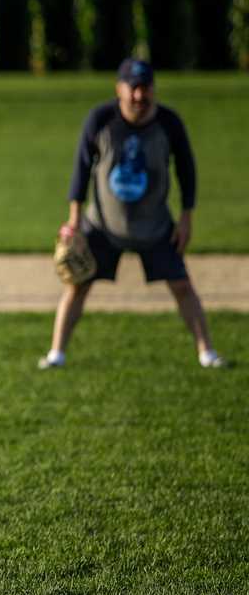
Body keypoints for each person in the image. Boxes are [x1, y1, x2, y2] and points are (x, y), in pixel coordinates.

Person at [39, 58, 226, 370]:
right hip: (102, 224)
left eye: (146, 88)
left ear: (154, 89)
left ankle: (206, 351)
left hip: (154, 224)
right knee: (78, 284)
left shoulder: (169, 122)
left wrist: (186, 216)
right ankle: (57, 353)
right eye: (134, 88)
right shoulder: (100, 119)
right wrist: (75, 219)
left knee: (182, 285)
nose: (140, 95)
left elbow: (186, 170)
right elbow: (81, 168)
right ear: (119, 89)